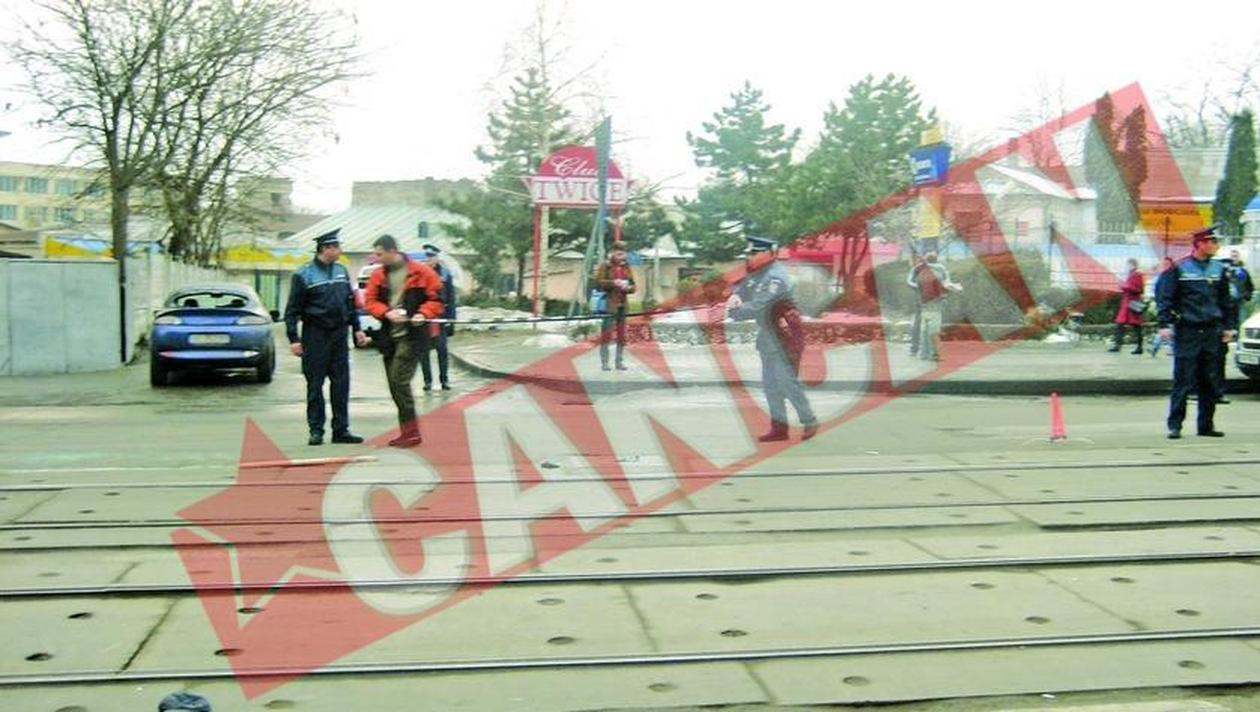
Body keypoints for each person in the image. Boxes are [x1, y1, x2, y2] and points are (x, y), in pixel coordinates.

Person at [727, 236, 818, 442]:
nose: (750, 257)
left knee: (787, 382)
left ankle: (809, 420)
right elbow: (743, 289)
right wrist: (734, 297)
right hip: (769, 336)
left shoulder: (775, 277)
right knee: (770, 385)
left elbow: (760, 306)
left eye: (754, 253)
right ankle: (779, 428)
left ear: (768, 254)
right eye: (749, 254)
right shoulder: (759, 274)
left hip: (785, 336)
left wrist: (736, 311)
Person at [284, 229, 368, 446]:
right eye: (336, 247)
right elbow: (292, 310)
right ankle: (316, 430)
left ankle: (341, 430)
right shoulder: (304, 274)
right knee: (315, 385)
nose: (340, 250)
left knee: (341, 384)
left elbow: (350, 303)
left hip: (339, 335)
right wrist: (294, 339)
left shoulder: (341, 271)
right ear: (325, 248)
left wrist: (357, 328)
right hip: (315, 335)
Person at [362, 235, 445, 447]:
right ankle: (407, 431)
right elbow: (370, 301)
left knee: (399, 380)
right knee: (394, 384)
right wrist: (386, 312)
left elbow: (437, 300)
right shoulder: (378, 275)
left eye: (380, 254)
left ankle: (411, 432)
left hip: (413, 336)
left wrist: (423, 314)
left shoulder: (422, 272)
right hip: (389, 336)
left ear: (392, 251)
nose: (377, 258)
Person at [1155, 224, 1236, 439]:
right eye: (1212, 241)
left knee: (1209, 379)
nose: (1216, 245)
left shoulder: (1219, 269)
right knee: (1183, 379)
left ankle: (1206, 425)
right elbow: (1165, 298)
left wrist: (1229, 326)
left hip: (1212, 331)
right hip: (1188, 331)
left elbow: (1226, 301)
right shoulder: (1180, 269)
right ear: (1200, 244)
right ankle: (1175, 425)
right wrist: (1164, 324)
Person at [1214, 248, 1255, 403]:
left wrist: (1229, 328)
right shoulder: (1217, 278)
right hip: (1210, 326)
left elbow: (1247, 286)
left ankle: (1218, 392)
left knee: (1219, 360)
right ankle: (1202, 391)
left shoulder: (1241, 271)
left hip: (1223, 323)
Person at [906, 251, 960, 362]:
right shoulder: (918, 268)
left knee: (928, 327)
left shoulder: (941, 268)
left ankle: (927, 352)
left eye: (933, 256)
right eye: (929, 256)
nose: (931, 258)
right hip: (921, 300)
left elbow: (946, 281)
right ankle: (916, 349)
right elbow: (909, 281)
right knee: (920, 325)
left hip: (933, 301)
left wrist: (946, 288)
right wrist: (920, 287)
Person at [592, 241, 637, 370]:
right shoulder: (606, 265)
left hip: (623, 305)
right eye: (618, 254)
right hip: (609, 305)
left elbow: (634, 286)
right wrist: (613, 283)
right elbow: (598, 283)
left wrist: (628, 287)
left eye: (623, 254)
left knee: (621, 335)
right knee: (606, 334)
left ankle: (619, 362)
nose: (621, 257)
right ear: (613, 253)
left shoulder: (626, 266)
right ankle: (605, 363)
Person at [419, 243, 457, 391]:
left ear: (436, 258)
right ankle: (427, 381)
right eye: (427, 256)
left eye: (431, 256)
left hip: (441, 318)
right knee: (423, 352)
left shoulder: (445, 274)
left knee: (442, 350)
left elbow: (451, 298)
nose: (429, 259)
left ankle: (444, 380)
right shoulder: (420, 273)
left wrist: (451, 320)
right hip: (424, 318)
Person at [1108, 258, 1146, 354]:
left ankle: (1139, 347)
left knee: (1136, 325)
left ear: (1134, 265)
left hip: (1133, 303)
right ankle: (1118, 345)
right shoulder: (1129, 275)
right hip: (1127, 303)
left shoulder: (1138, 275)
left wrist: (1127, 287)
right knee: (1120, 324)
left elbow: (1140, 290)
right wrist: (1124, 286)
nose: (1128, 266)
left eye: (1129, 265)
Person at [1149, 257, 1176, 358]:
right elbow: (1157, 291)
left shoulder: (1172, 276)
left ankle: (1157, 347)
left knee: (1170, 328)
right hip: (1163, 305)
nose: (1165, 266)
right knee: (1169, 327)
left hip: (1171, 306)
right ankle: (1169, 348)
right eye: (1164, 264)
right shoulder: (1162, 276)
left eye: (1167, 264)